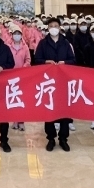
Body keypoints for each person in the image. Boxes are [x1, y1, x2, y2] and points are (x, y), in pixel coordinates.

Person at [34, 16, 75, 152]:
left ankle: (63, 138)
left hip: (63, 81)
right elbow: (37, 59)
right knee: (49, 109)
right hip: (48, 82)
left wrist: (65, 63)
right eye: (51, 26)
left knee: (64, 109)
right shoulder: (43, 43)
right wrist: (46, 62)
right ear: (48, 28)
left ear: (59, 28)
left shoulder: (66, 43)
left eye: (56, 26)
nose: (53, 28)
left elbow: (73, 60)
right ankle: (51, 138)